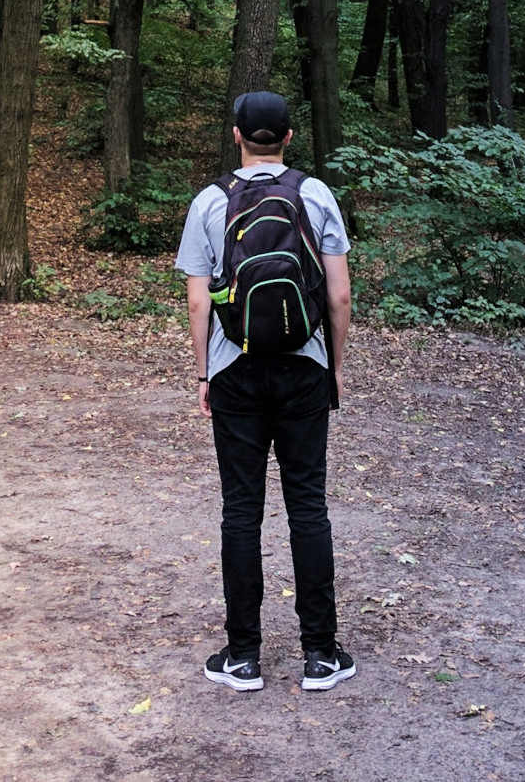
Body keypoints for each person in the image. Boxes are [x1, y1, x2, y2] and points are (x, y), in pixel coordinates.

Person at [175, 91, 356, 693]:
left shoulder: (209, 201)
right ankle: (321, 655)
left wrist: (205, 373)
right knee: (308, 504)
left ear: (236, 136)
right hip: (305, 366)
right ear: (288, 136)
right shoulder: (316, 194)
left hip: (236, 370)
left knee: (240, 509)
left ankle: (243, 656)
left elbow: (200, 299)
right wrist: (333, 365)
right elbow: (339, 296)